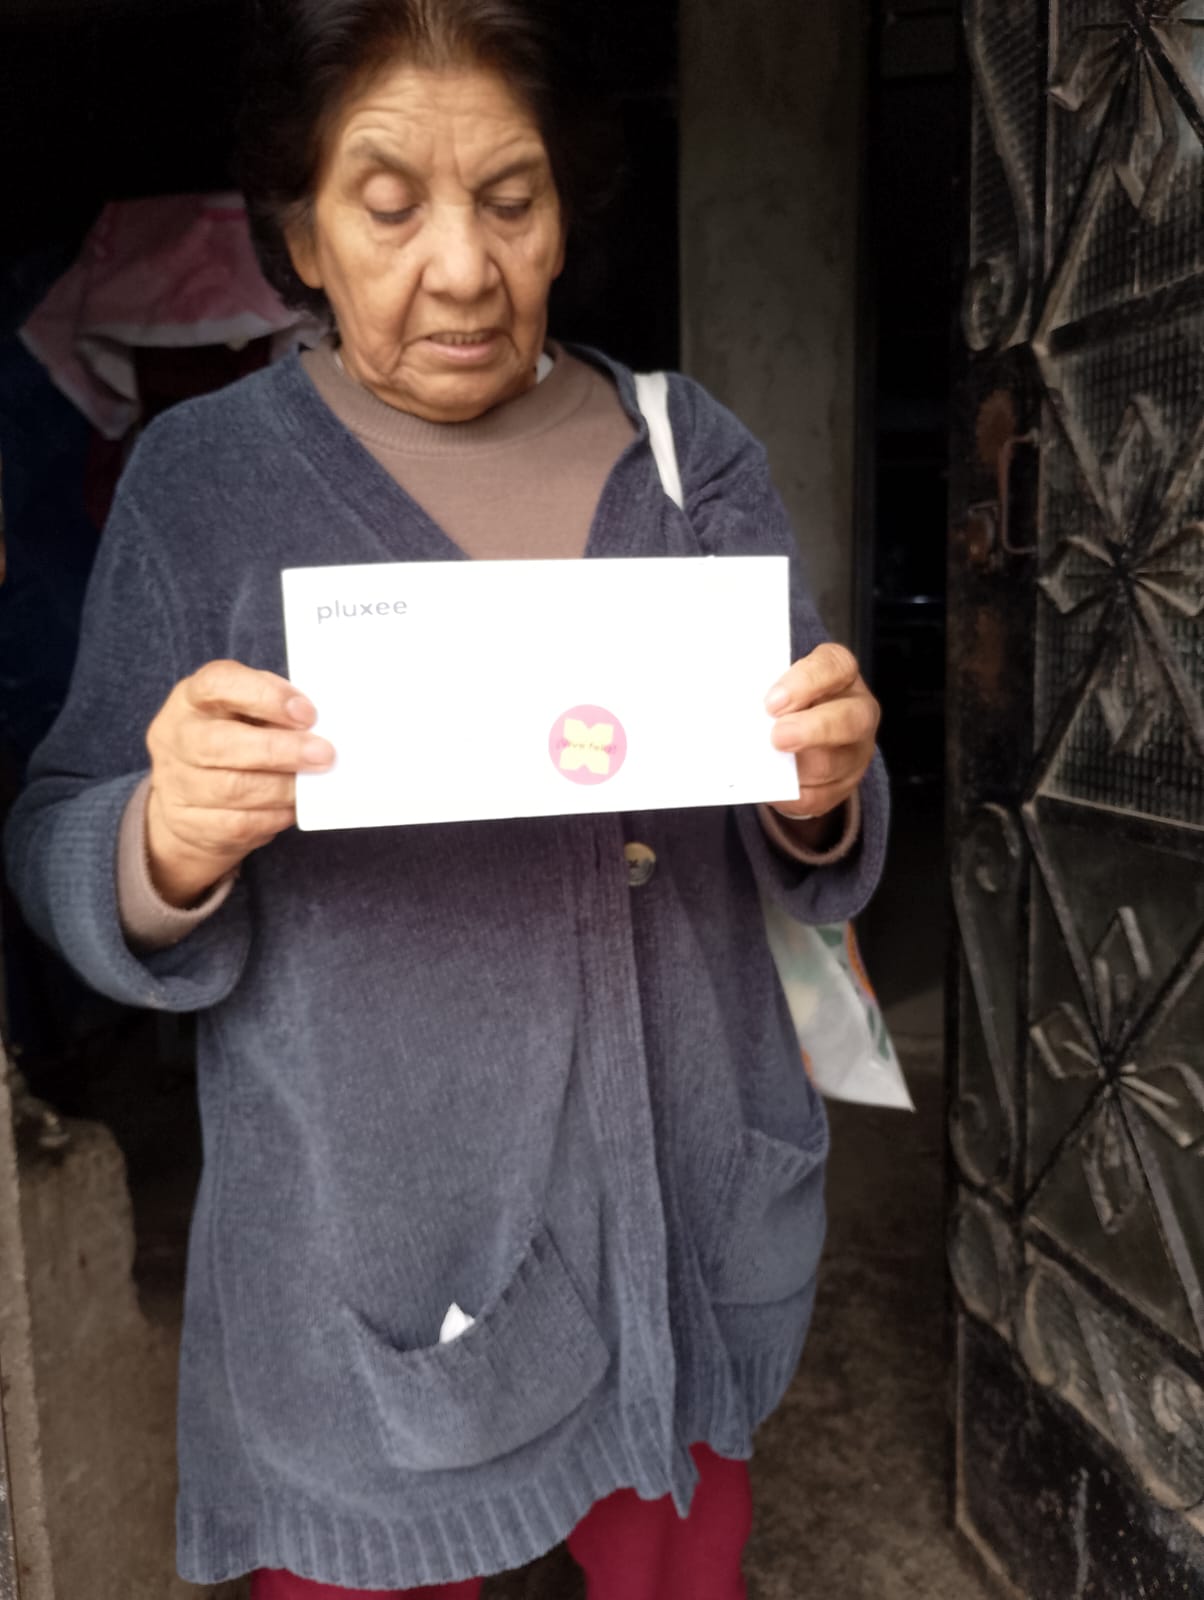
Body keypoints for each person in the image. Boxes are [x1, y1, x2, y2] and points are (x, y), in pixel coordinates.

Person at [4, 2, 888, 1595]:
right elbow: (59, 828)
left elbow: (814, 787)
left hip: (681, 1228)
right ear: (302, 234)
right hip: (371, 1277)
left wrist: (824, 785)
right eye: (389, 205)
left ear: (565, 213)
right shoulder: (208, 487)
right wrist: (158, 843)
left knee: (679, 1558)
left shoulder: (687, 457)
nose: (465, 268)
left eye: (510, 199)